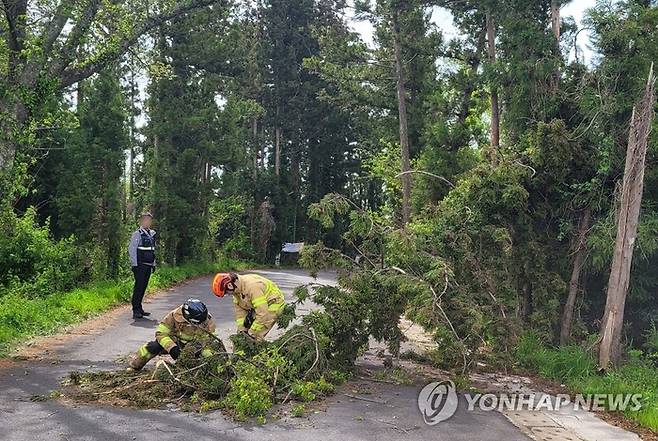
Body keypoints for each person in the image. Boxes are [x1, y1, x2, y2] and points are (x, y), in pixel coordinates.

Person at [128, 299, 216, 371]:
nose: (199, 325)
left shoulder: (207, 320)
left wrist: (209, 356)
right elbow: (161, 334)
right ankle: (135, 366)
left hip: (194, 347)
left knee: (210, 355)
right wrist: (172, 348)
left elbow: (209, 342)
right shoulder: (173, 316)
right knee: (152, 347)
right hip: (174, 342)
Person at [212, 272, 285, 341]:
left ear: (229, 285)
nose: (228, 295)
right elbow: (240, 314)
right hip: (257, 306)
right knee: (242, 337)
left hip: (273, 303)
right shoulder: (236, 292)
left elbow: (262, 312)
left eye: (226, 292)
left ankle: (257, 350)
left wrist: (251, 332)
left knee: (256, 335)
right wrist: (242, 331)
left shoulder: (252, 287)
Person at [128, 213, 156, 319]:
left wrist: (154, 264)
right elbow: (132, 249)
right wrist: (134, 264)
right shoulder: (137, 234)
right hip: (140, 265)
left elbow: (152, 251)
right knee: (138, 287)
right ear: (141, 222)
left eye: (149, 220)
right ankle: (135, 309)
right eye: (145, 220)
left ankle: (140, 308)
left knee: (143, 287)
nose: (147, 222)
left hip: (148, 265)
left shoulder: (151, 234)